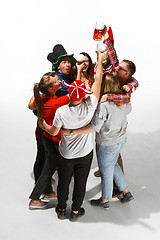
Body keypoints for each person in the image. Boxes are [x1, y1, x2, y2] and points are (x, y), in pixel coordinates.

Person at [38, 51, 106, 221]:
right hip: (85, 154)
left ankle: (61, 209)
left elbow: (53, 132)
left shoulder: (62, 111)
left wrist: (43, 125)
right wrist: (99, 59)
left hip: (66, 154)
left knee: (63, 182)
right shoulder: (90, 106)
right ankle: (75, 211)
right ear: (84, 96)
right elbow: (98, 81)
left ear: (69, 94)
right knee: (80, 183)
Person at [62, 72, 134, 210]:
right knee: (113, 165)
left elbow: (93, 127)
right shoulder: (124, 101)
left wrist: (72, 132)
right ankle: (126, 192)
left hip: (107, 144)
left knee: (106, 173)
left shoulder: (104, 106)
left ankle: (105, 200)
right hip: (121, 139)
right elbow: (128, 110)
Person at [93, 28, 138, 199]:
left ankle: (116, 189)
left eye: (120, 68)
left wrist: (106, 97)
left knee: (114, 155)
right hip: (112, 123)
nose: (116, 67)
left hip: (114, 127)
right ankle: (110, 174)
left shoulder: (126, 86)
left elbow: (124, 99)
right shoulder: (116, 75)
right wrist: (105, 37)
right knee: (111, 154)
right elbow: (113, 55)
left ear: (126, 74)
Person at [31, 45, 76, 188]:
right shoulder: (54, 80)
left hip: (57, 127)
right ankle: (40, 182)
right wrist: (41, 117)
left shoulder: (67, 77)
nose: (68, 64)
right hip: (47, 127)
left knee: (52, 154)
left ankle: (45, 178)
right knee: (43, 155)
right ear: (57, 66)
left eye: (69, 61)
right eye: (64, 62)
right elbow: (33, 104)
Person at [28, 71, 70, 209]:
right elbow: (75, 95)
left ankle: (48, 192)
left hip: (47, 138)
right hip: (54, 141)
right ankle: (35, 200)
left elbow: (31, 104)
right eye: (56, 81)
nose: (59, 81)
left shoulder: (40, 98)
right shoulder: (55, 103)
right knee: (48, 170)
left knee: (48, 167)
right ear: (51, 88)